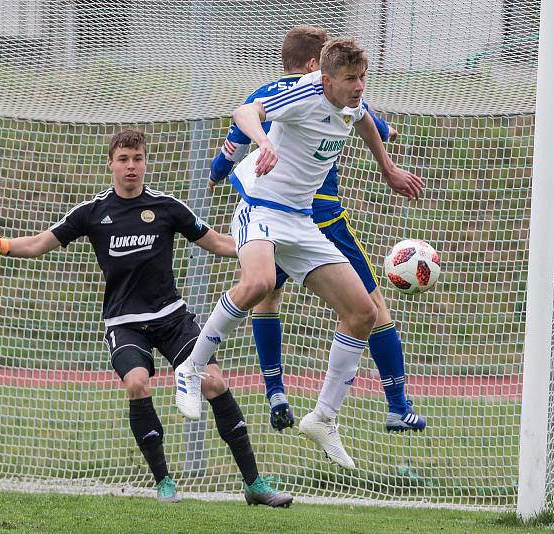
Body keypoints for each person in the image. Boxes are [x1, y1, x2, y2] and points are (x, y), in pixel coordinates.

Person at [0, 129, 293, 507]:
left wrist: (266, 249)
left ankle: (254, 484)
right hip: (124, 323)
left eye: (137, 159)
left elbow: (219, 243)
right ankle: (164, 482)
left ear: (145, 162)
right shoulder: (92, 212)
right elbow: (37, 244)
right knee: (137, 383)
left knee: (213, 382)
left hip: (172, 318)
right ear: (111, 164)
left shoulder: (167, 207)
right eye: (123, 159)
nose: (131, 166)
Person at [174, 39, 424, 470]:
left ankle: (323, 418)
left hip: (301, 220)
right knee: (260, 283)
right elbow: (244, 112)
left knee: (363, 312)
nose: (359, 86)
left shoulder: (351, 101)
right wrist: (262, 142)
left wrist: (387, 169)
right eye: (350, 79)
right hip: (260, 206)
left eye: (362, 77)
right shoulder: (304, 92)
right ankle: (192, 368)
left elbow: (363, 122)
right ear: (325, 79)